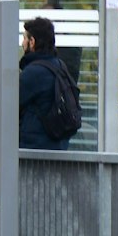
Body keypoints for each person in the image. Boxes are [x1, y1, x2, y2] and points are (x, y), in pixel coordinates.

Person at [19, 17, 77, 151]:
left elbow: (11, 106)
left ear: (32, 42)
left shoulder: (33, 73)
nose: (22, 43)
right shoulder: (59, 65)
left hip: (34, 149)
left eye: (24, 38)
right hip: (59, 145)